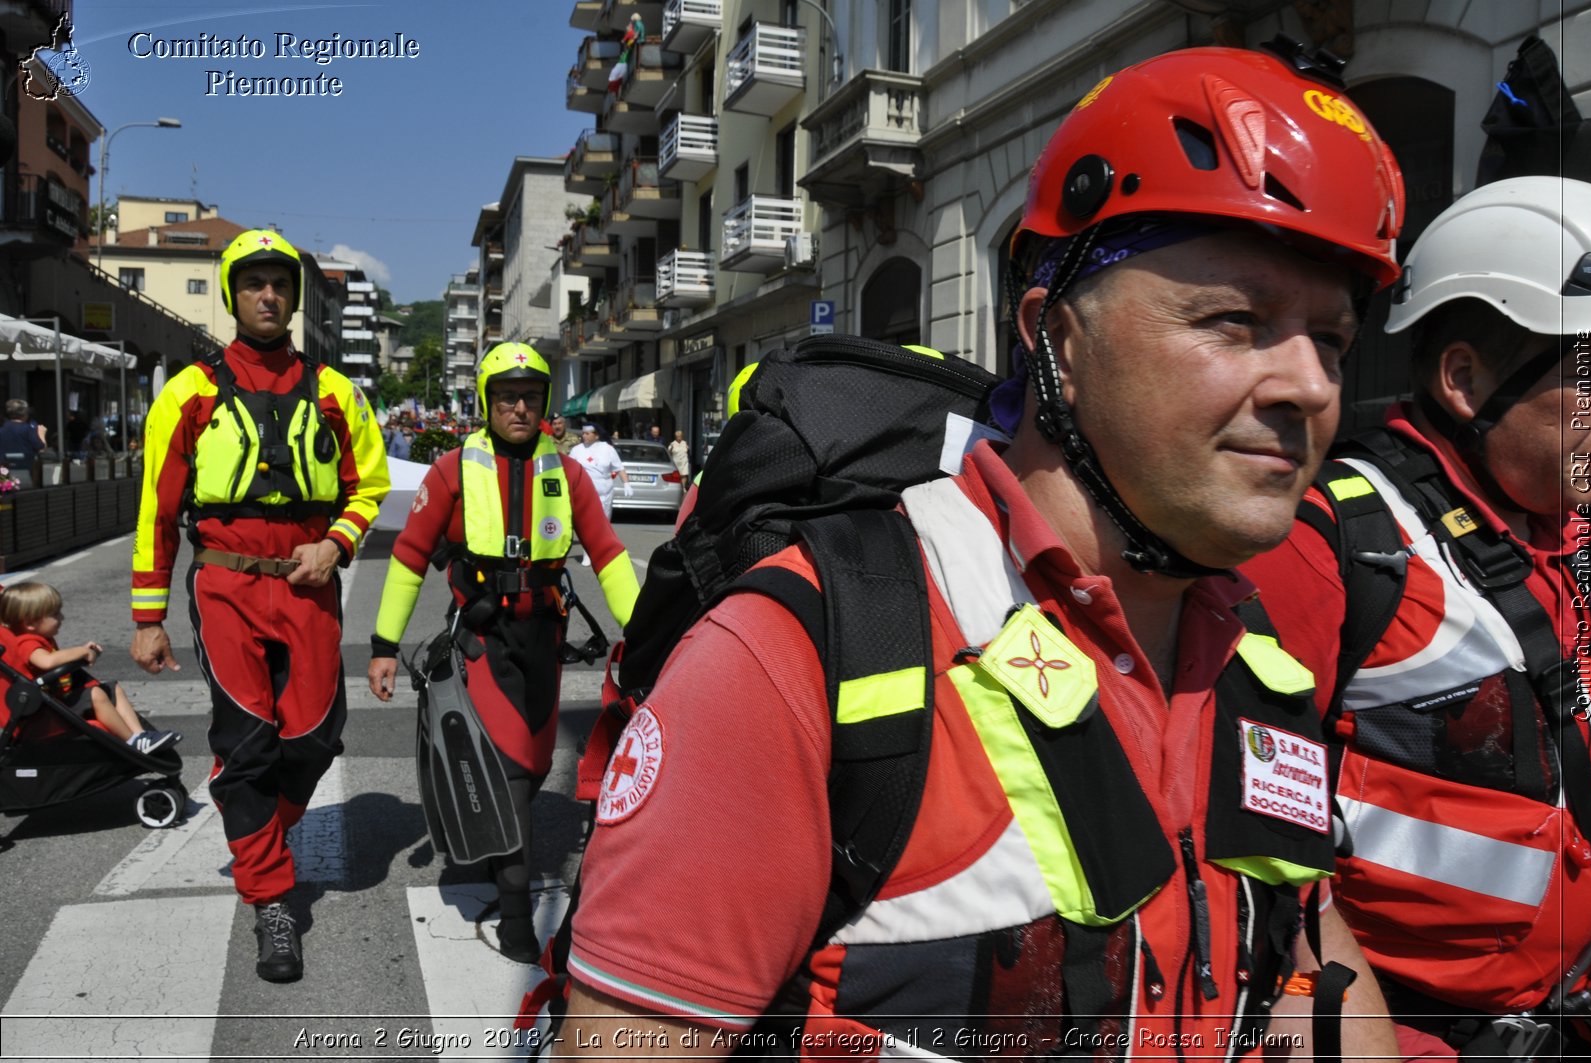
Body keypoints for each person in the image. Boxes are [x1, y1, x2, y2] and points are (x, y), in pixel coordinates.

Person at [560, 42, 1406, 1055]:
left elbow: (1311, 964)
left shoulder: (1251, 658)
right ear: (1056, 338)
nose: (1310, 387)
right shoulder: (807, 650)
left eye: (1333, 342)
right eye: (1235, 320)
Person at [1241, 175, 1591, 1060]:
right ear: (1466, 380)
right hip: (1414, 1034)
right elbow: (1253, 865)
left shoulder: (1574, 536)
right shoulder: (1334, 545)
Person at [129, 228, 389, 984]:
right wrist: (148, 617)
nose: (268, 295)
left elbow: (368, 485)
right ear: (234, 294)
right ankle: (272, 899)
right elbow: (156, 506)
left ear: (293, 296)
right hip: (226, 585)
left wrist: (336, 544)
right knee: (246, 743)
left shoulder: (338, 390)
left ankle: (255, 838)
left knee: (313, 735)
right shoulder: (189, 391)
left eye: (280, 283)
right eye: (254, 284)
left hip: (308, 581)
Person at [366, 342, 639, 963]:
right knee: (514, 777)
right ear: (488, 403)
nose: (520, 407)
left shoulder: (566, 474)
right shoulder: (451, 470)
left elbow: (608, 555)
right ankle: (516, 916)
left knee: (537, 764)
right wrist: (384, 646)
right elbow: (410, 554)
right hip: (484, 638)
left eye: (531, 397)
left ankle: (497, 852)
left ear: (544, 404)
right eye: (507, 397)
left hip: (545, 637)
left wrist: (646, 630)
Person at [0, 581, 180, 753]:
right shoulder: (26, 642)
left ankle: (140, 736)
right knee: (95, 694)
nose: (61, 617)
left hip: (58, 700)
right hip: (52, 708)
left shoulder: (41, 638)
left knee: (112, 688)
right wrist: (81, 652)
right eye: (54, 614)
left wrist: (81, 652)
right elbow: (46, 661)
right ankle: (131, 741)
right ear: (30, 623)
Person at [569, 423, 629, 566]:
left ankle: (601, 553)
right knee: (586, 523)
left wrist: (626, 483)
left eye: (588, 433)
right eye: (583, 433)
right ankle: (587, 552)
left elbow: (619, 467)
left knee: (602, 524)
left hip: (604, 492)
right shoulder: (577, 450)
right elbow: (569, 470)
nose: (584, 436)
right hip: (584, 492)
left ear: (596, 435)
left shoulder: (607, 449)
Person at [0, 399, 45, 488]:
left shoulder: (2, 430)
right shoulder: (28, 429)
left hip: (4, 473)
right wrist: (42, 434)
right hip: (26, 473)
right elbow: (40, 447)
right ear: (25, 413)